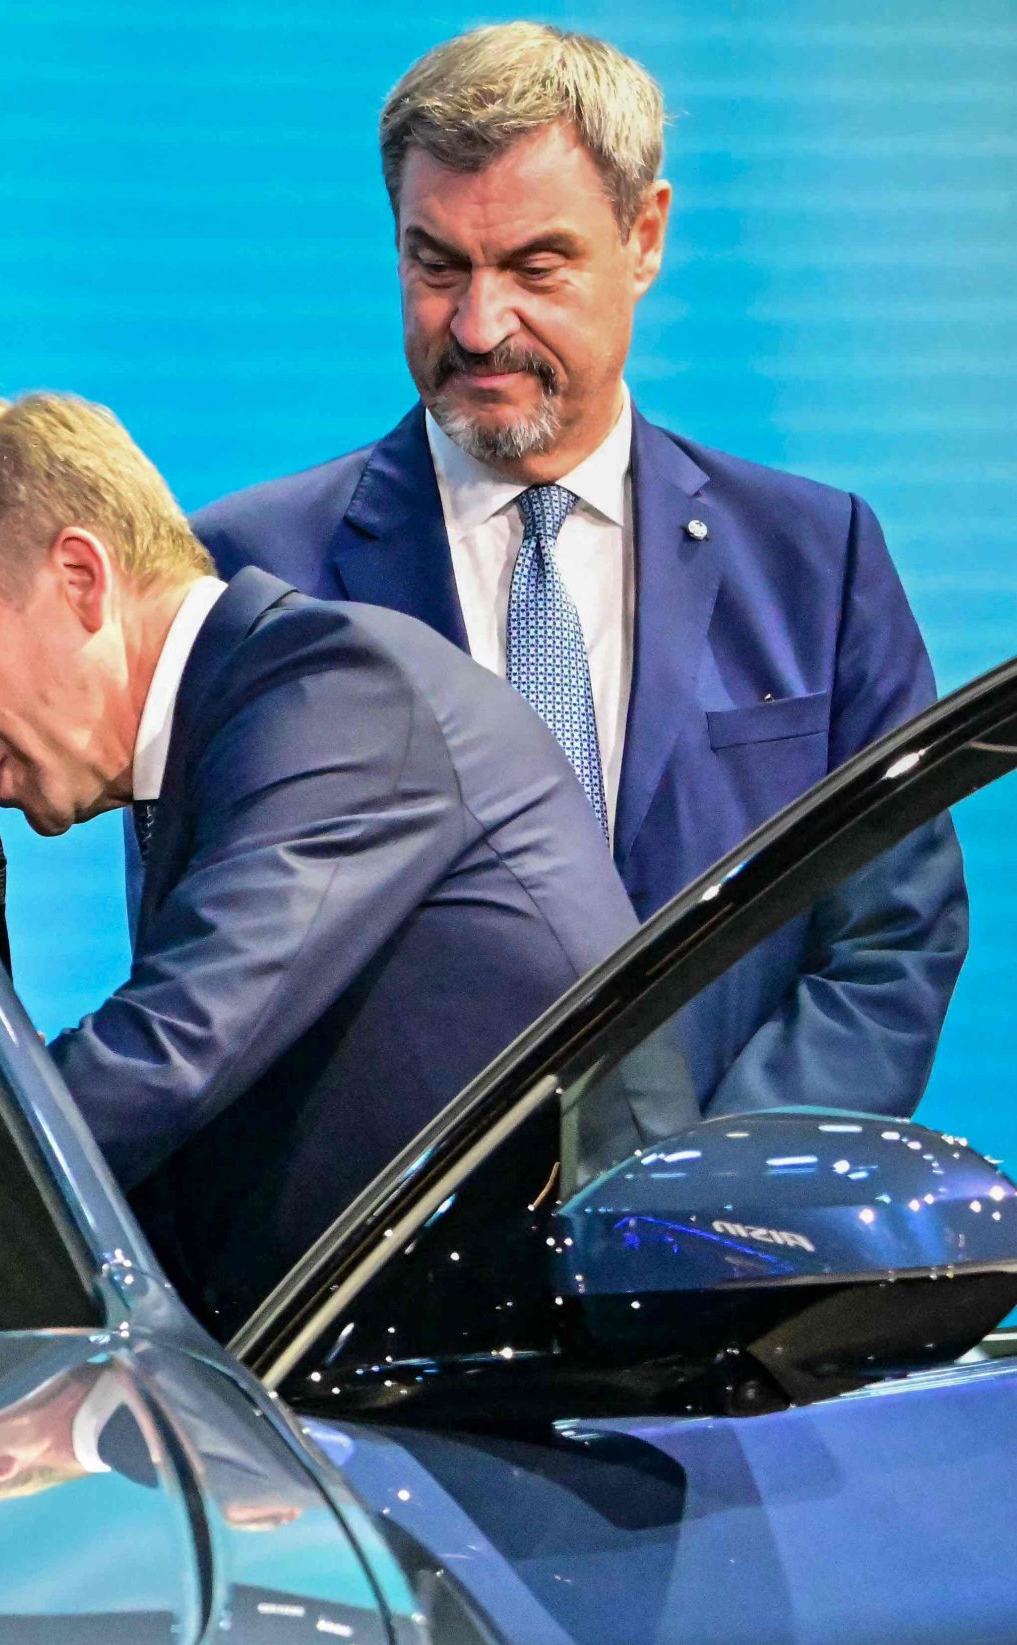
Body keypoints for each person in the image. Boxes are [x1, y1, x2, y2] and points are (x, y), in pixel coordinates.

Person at [197, 22, 964, 1124]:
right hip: (392, 1261)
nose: (479, 325)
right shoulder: (254, 574)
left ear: (645, 236)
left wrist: (709, 1205)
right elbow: (218, 996)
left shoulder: (817, 560)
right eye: (437, 264)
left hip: (729, 1254)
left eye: (534, 266)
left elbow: (890, 934)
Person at [0, 391, 638, 1330]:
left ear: (80, 578)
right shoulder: (217, 738)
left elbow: (169, 1054)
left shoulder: (334, 693)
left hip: (544, 1389)